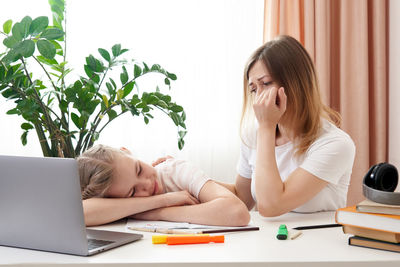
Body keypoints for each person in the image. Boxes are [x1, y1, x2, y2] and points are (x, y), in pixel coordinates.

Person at [221, 35, 356, 217]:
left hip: (317, 243)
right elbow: (241, 197)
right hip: (267, 242)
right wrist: (186, 179)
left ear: (296, 83)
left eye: (266, 84)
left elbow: (271, 205)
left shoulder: (335, 144)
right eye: (254, 89)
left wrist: (267, 127)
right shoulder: (255, 133)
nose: (258, 99)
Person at [77, 144, 250, 227]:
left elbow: (238, 213)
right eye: (132, 192)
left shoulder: (173, 171)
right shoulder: (114, 203)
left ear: (127, 151)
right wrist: (163, 199)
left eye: (138, 169)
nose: (146, 183)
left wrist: (157, 213)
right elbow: (80, 213)